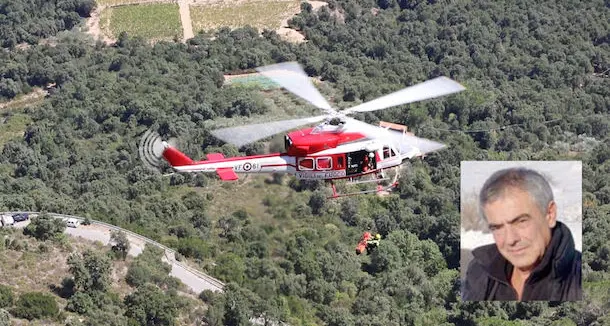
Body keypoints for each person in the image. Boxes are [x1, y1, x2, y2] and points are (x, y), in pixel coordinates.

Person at [462, 167, 581, 301]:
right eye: (497, 227)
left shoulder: (580, 279)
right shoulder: (479, 271)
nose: (510, 239)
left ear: (550, 214)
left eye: (521, 221)